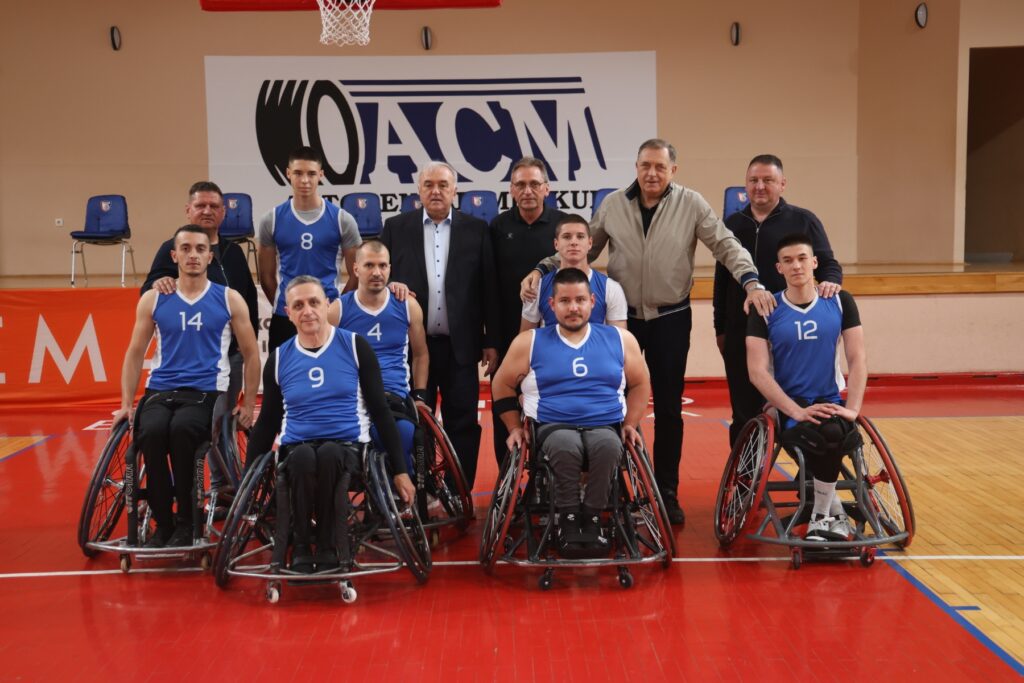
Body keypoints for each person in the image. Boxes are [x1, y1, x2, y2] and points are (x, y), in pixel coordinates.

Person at [522, 139, 775, 525]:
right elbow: (581, 247)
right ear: (636, 167)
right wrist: (542, 268)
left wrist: (751, 281)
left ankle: (666, 492)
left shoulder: (691, 204)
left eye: (659, 166)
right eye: (645, 166)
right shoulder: (613, 205)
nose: (652, 173)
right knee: (616, 405)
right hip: (621, 322)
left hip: (671, 319)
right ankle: (619, 488)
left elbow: (726, 246)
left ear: (673, 170)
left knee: (669, 409)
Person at [248, 276, 415, 573]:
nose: (307, 311)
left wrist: (400, 471)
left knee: (329, 454)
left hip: (348, 446)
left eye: (314, 302)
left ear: (327, 305)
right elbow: (267, 422)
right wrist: (247, 480)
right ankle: (301, 547)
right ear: (288, 313)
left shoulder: (355, 346)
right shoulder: (279, 358)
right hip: (296, 445)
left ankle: (327, 546)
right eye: (298, 305)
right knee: (301, 457)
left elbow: (380, 411)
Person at [116, 225, 260, 548]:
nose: (193, 255)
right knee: (151, 434)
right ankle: (162, 523)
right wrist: (126, 404)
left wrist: (248, 404)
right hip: (160, 389)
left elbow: (251, 355)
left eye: (200, 249)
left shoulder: (229, 298)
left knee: (183, 432)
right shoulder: (154, 298)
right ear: (174, 255)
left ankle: (186, 521)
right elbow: (135, 353)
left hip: (206, 391)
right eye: (185, 249)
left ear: (210, 257)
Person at [493, 268, 651, 553]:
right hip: (553, 425)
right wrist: (514, 428)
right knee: (565, 446)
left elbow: (640, 383)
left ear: (592, 302)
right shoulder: (529, 342)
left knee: (608, 446)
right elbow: (501, 385)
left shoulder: (620, 339)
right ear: (552, 305)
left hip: (604, 424)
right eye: (565, 301)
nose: (573, 308)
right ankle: (567, 520)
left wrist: (630, 423)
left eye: (580, 300)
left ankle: (592, 518)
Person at [379, 161, 501, 490]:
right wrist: (389, 286)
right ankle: (424, 490)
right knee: (415, 419)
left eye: (443, 185)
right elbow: (379, 279)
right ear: (418, 190)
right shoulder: (395, 228)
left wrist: (491, 340)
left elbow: (488, 288)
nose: (436, 191)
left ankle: (459, 490)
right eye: (429, 185)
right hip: (412, 347)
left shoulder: (476, 229)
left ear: (454, 191)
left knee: (463, 422)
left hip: (460, 345)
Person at [714, 155, 843, 446]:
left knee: (797, 408)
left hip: (790, 334)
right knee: (744, 413)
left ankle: (809, 468)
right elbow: (721, 282)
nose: (760, 186)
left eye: (768, 180)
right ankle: (746, 474)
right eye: (753, 180)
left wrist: (831, 283)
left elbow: (828, 265)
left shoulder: (804, 220)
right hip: (742, 331)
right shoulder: (731, 225)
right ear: (746, 185)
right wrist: (720, 328)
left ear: (782, 184)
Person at [746, 233, 865, 542]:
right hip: (789, 404)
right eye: (788, 261)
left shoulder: (840, 301)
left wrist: (853, 408)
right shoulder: (766, 309)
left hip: (829, 399)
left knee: (835, 430)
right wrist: (795, 411)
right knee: (825, 434)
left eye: (802, 258)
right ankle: (828, 515)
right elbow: (757, 372)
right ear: (779, 268)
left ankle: (822, 515)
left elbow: (857, 358)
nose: (796, 266)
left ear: (814, 262)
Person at [141, 181, 261, 490]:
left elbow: (247, 299)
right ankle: (212, 488)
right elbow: (150, 289)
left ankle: (227, 488)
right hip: (187, 363)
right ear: (188, 210)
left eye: (213, 206)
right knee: (198, 427)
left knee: (222, 425)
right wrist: (160, 282)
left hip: (230, 356)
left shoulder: (234, 252)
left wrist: (248, 340)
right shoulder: (172, 249)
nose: (207, 211)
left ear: (223, 213)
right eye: (200, 205)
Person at [489, 157, 566, 467]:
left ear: (547, 188)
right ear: (511, 190)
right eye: (520, 184)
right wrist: (492, 341)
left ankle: (548, 478)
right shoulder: (497, 227)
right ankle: (507, 479)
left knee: (549, 411)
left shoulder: (563, 225)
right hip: (509, 336)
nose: (527, 190)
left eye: (534, 184)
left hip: (554, 338)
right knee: (505, 408)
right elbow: (490, 287)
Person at [329, 240, 430, 473]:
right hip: (354, 397)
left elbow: (421, 354)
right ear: (356, 269)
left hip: (393, 394)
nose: (377, 272)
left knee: (403, 432)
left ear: (390, 269)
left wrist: (419, 396)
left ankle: (405, 485)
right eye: (369, 265)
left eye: (382, 266)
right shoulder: (338, 310)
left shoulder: (407, 305)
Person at [257, 146, 362, 352]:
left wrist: (336, 307)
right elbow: (266, 277)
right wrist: (289, 307)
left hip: (328, 314)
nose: (304, 180)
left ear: (321, 175)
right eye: (298, 173)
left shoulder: (342, 219)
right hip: (285, 317)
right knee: (283, 372)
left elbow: (357, 274)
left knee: (332, 371)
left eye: (311, 174)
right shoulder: (272, 219)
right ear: (288, 173)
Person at [520, 214, 627, 332]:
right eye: (567, 237)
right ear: (556, 244)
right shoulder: (537, 287)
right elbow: (526, 338)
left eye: (580, 236)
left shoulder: (611, 288)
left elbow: (619, 339)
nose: (573, 242)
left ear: (590, 243)